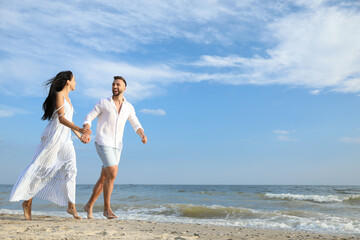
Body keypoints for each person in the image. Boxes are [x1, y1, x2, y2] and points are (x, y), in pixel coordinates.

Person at [9, 71, 91, 220]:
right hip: (53, 137)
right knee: (41, 171)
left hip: (65, 139)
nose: (76, 82)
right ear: (68, 82)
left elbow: (69, 122)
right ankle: (27, 202)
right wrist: (80, 128)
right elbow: (61, 120)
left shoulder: (69, 99)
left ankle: (71, 205)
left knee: (71, 169)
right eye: (74, 80)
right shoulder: (59, 95)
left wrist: (80, 137)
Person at [81, 76, 147, 219]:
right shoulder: (104, 103)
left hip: (117, 146)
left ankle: (89, 205)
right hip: (103, 142)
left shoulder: (129, 107)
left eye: (118, 84)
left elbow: (135, 122)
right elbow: (90, 116)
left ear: (124, 88)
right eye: (113, 84)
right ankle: (107, 209)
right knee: (113, 172)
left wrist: (141, 133)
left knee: (105, 177)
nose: (115, 86)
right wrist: (86, 127)